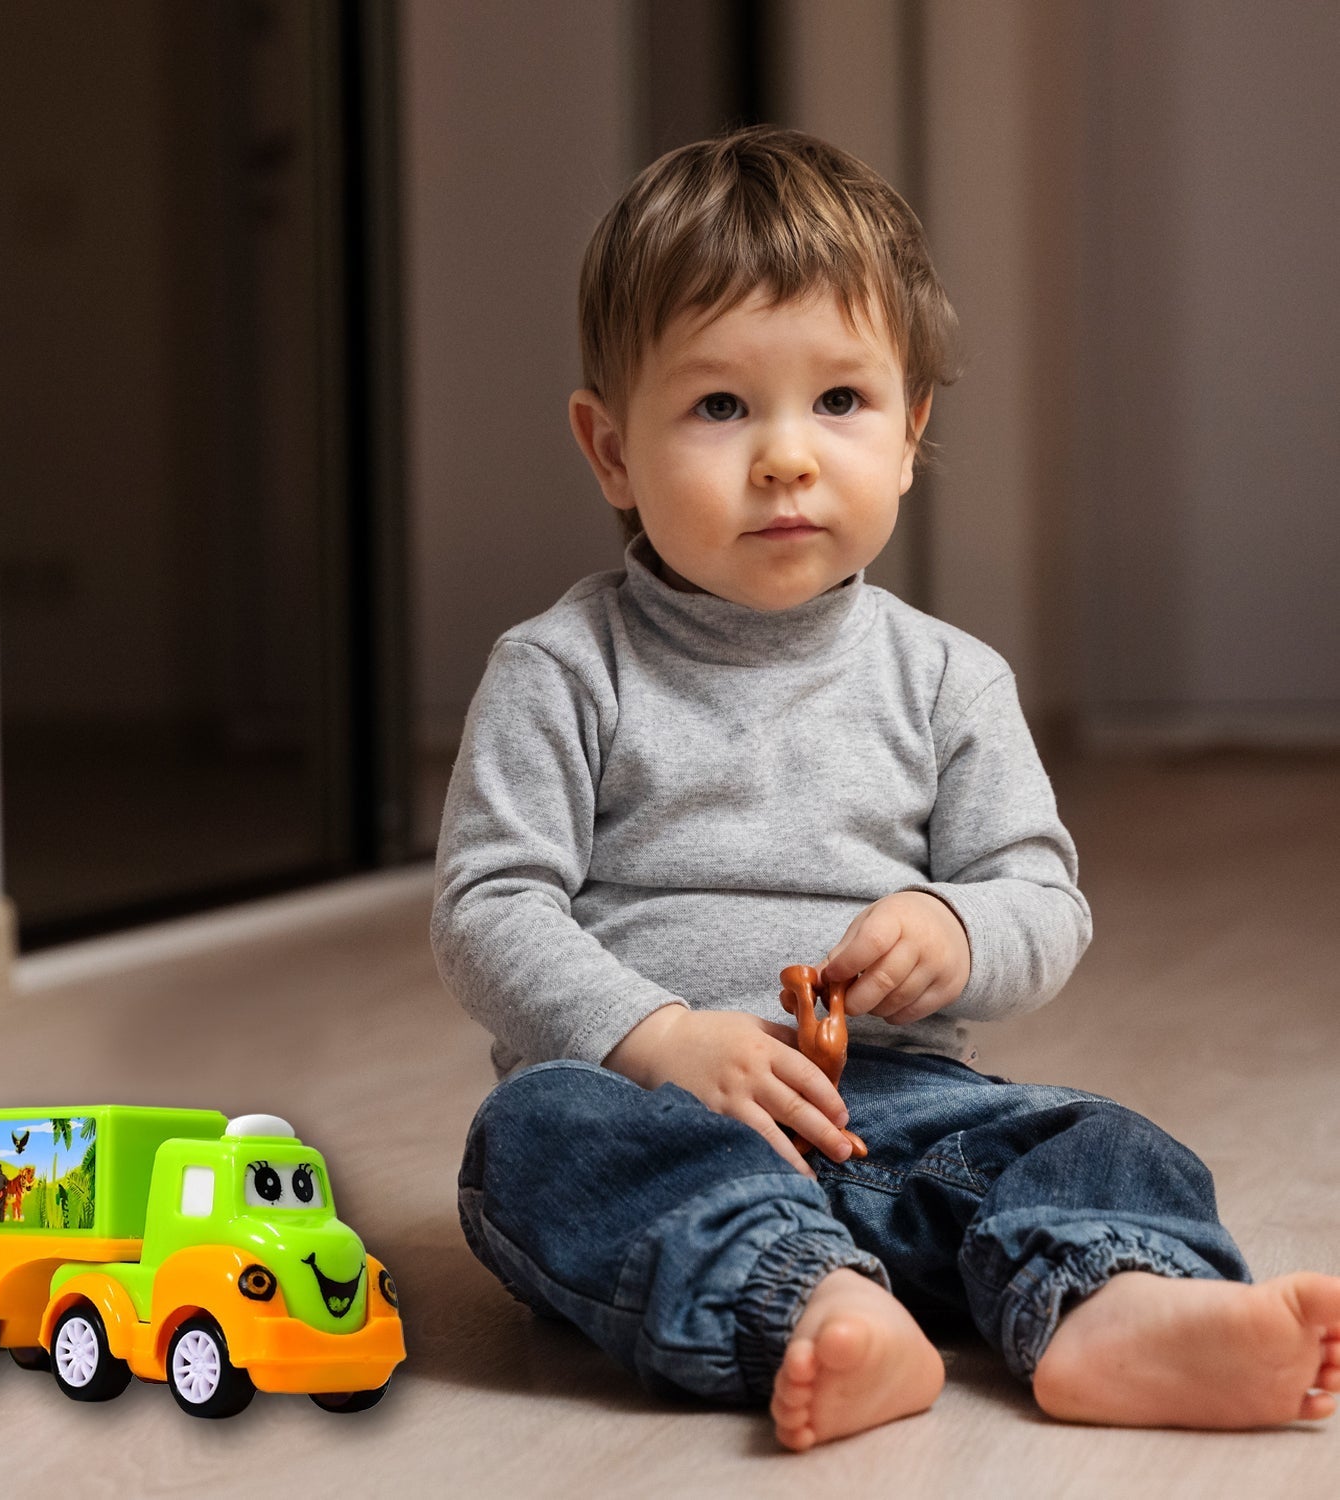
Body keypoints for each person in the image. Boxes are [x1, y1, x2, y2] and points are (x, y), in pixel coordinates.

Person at [430, 126, 1340, 1449]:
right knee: (531, 1137)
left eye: (841, 401)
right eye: (720, 406)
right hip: (661, 1114)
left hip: (903, 1113)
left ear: (911, 432)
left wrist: (956, 929)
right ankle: (815, 1306)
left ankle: (1117, 1309)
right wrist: (658, 1037)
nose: (786, 456)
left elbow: (1043, 898)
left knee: (1094, 1138)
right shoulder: (563, 671)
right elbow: (491, 908)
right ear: (610, 448)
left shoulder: (949, 680)